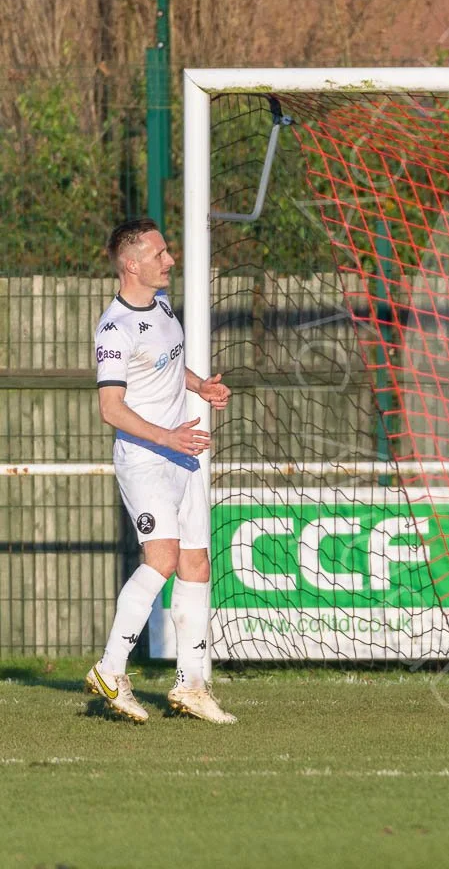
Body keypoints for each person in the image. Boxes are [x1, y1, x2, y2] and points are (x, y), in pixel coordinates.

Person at [86, 218, 237, 724]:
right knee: (163, 559)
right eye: (159, 254)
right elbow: (111, 407)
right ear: (132, 264)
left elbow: (166, 366)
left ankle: (191, 685)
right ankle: (110, 667)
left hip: (183, 454)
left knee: (196, 563)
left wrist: (199, 386)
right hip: (148, 458)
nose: (169, 260)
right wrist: (166, 436)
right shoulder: (114, 329)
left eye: (167, 251)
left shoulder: (162, 305)